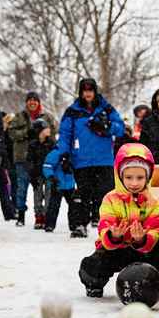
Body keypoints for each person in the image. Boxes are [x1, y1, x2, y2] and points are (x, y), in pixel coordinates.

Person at [78, 143, 159, 299]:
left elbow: (155, 228)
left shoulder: (153, 203)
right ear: (120, 177)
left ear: (148, 177)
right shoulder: (110, 199)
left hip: (144, 252)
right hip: (116, 250)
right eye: (129, 177)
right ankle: (94, 283)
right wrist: (114, 236)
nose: (134, 183)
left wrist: (142, 239)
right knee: (93, 264)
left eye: (140, 178)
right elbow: (105, 225)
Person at [57, 77, 124, 228]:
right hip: (82, 160)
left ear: (95, 91)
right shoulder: (72, 112)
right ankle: (80, 225)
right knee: (83, 195)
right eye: (84, 90)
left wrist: (107, 126)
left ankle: (106, 224)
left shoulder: (107, 109)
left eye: (90, 90)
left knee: (105, 194)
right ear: (80, 92)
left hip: (104, 159)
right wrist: (64, 155)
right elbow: (65, 135)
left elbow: (120, 128)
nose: (87, 93)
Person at [8, 91, 58, 227]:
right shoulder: (19, 117)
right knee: (21, 188)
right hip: (23, 157)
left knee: (42, 188)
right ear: (26, 102)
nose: (32, 102)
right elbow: (11, 133)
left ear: (39, 102)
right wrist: (27, 132)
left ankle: (44, 215)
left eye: (35, 100)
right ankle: (21, 215)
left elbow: (53, 133)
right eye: (29, 100)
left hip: (42, 158)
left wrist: (45, 139)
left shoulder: (47, 117)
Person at [42, 145, 89, 236]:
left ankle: (74, 225)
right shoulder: (56, 153)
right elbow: (47, 166)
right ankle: (50, 224)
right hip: (58, 184)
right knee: (54, 205)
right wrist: (51, 177)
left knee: (73, 206)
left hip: (70, 184)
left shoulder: (74, 153)